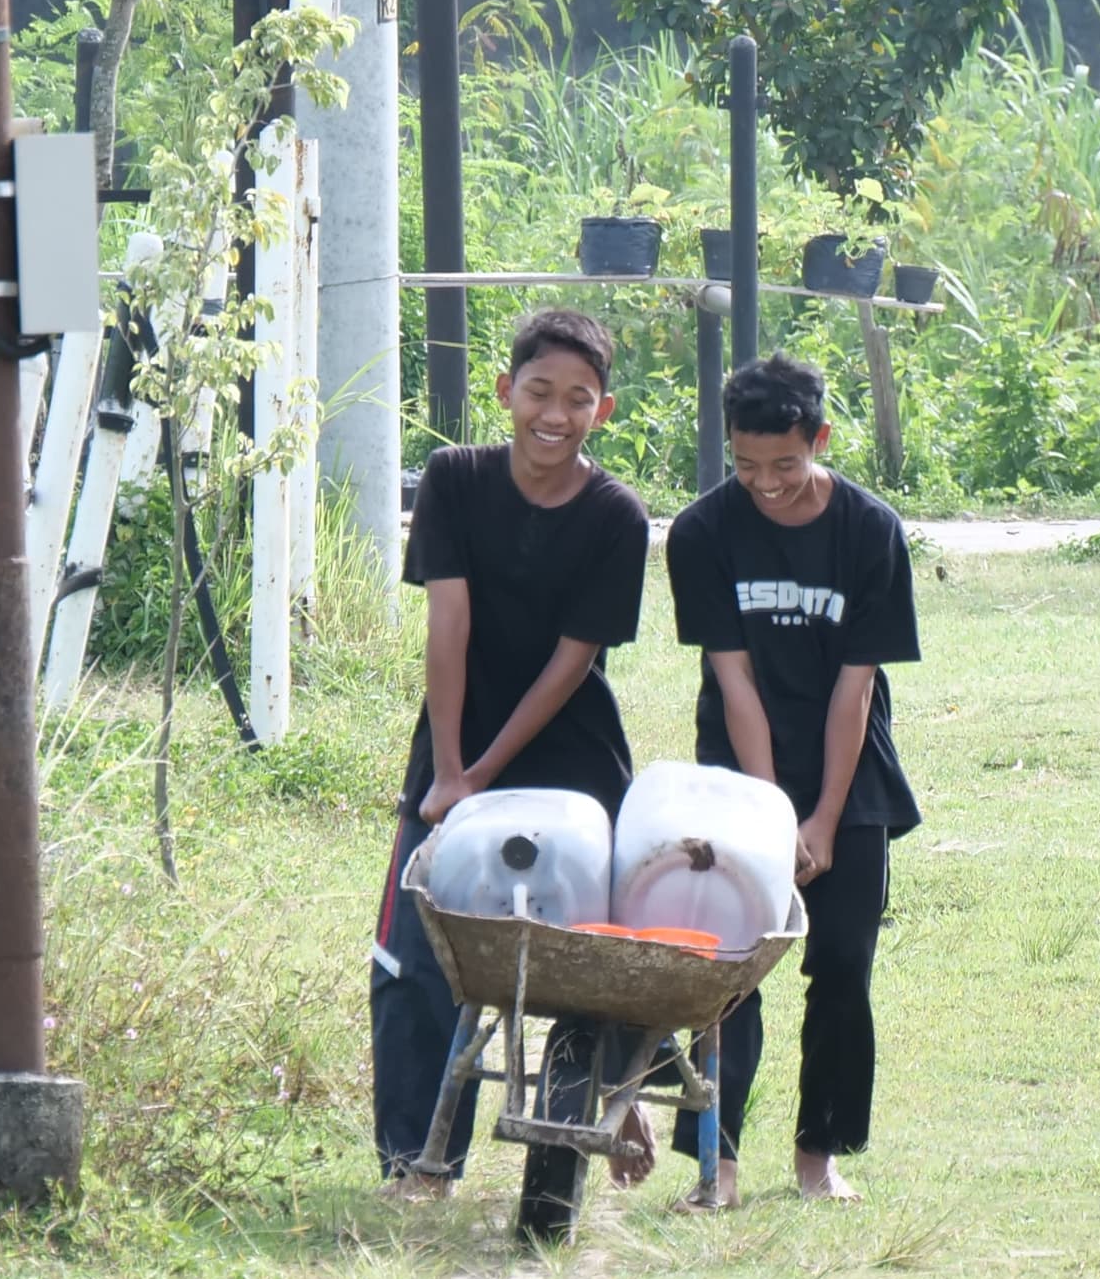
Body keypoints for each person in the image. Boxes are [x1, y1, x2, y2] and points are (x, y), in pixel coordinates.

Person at [371, 309, 652, 1199]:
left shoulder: (617, 516)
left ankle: (618, 1089)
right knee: (419, 951)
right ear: (506, 392)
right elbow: (446, 629)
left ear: (601, 412)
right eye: (539, 392)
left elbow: (575, 664)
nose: (555, 414)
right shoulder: (454, 480)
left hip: (571, 758)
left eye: (578, 399)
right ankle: (418, 1165)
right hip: (450, 746)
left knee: (590, 952)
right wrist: (450, 775)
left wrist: (484, 776)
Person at [664, 354, 922, 1206]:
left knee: (843, 965)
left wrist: (823, 818)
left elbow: (857, 688)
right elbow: (733, 680)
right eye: (745, 466)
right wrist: (773, 815)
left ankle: (820, 1157)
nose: (765, 484)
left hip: (850, 782)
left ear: (819, 438)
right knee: (728, 968)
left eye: (784, 463)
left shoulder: (870, 532)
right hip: (740, 779)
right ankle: (719, 1160)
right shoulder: (702, 534)